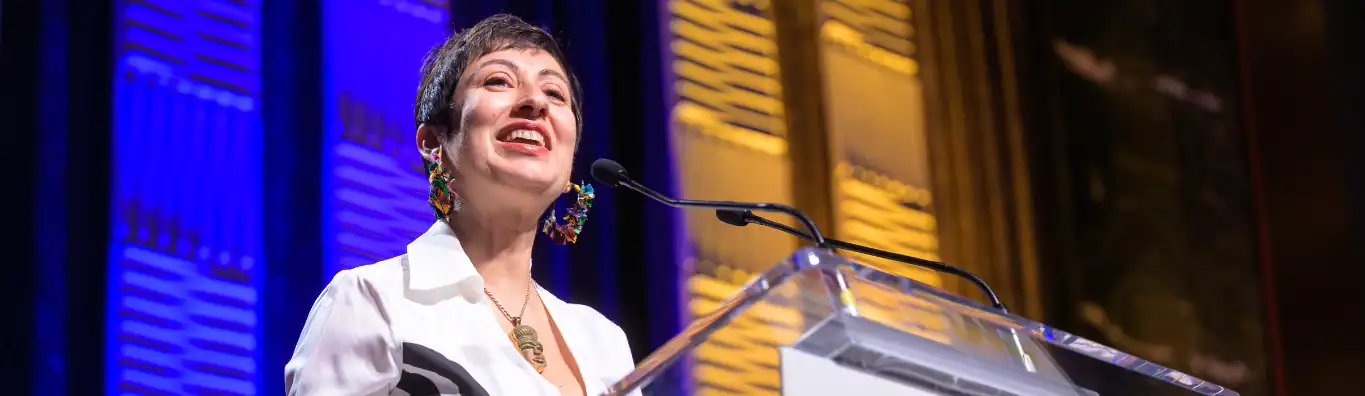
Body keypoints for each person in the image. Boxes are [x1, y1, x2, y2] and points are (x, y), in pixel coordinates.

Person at [285, 14, 634, 396]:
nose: (536, 102)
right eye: (498, 81)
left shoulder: (604, 344)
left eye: (554, 93)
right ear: (434, 143)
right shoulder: (371, 301)